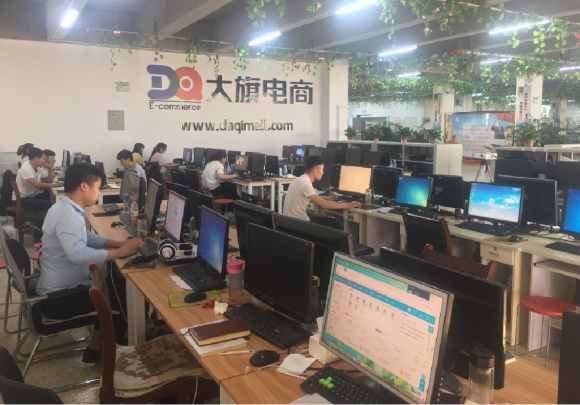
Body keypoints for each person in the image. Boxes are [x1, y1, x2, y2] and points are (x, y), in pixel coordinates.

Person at [36, 163, 145, 362]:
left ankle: (95, 347)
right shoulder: (68, 215)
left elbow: (85, 237)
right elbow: (78, 254)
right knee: (124, 297)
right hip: (59, 299)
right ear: (84, 186)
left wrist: (119, 244)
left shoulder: (63, 208)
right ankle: (115, 356)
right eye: (98, 187)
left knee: (117, 285)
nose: (99, 192)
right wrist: (119, 252)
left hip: (61, 289)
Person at [284, 156, 362, 221]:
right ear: (315, 170)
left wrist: (327, 198)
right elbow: (324, 205)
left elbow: (305, 199)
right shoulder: (305, 183)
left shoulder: (299, 179)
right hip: (299, 224)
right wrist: (349, 205)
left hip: (289, 222)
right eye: (322, 170)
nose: (323, 172)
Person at [13, 148, 63, 240]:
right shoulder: (26, 168)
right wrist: (56, 185)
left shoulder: (38, 168)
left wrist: (50, 169)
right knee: (47, 204)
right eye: (43, 159)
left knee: (50, 198)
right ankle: (38, 235)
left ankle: (48, 229)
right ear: (36, 159)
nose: (45, 161)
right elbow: (36, 184)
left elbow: (48, 180)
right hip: (22, 199)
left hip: (31, 195)